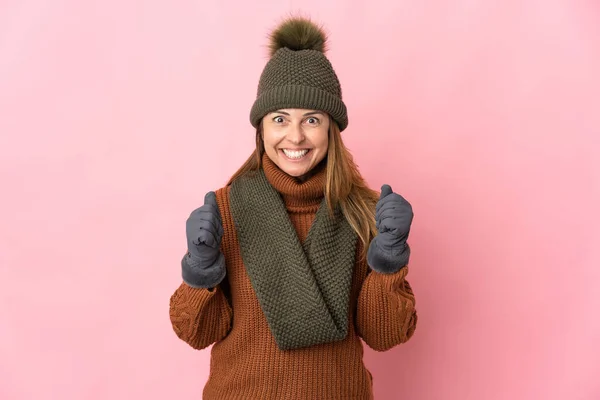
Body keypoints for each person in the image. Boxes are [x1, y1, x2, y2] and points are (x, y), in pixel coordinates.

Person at [169, 16, 417, 399]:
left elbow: (385, 336)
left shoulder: (365, 214)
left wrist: (389, 260)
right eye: (280, 119)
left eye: (312, 120)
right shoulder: (225, 211)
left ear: (331, 129)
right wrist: (200, 270)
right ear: (261, 129)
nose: (295, 136)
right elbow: (197, 334)